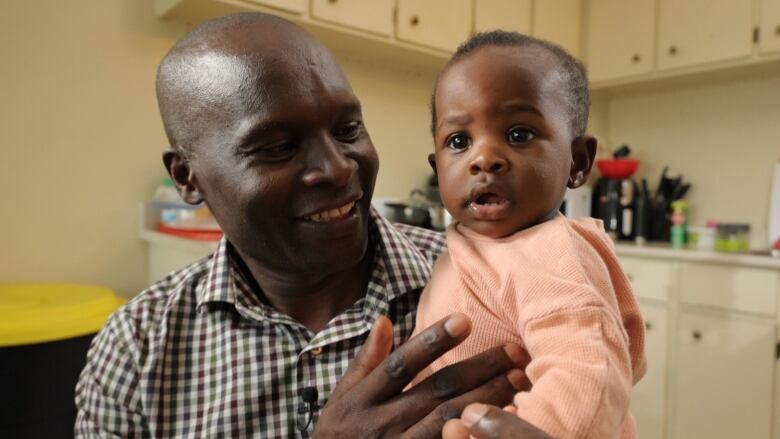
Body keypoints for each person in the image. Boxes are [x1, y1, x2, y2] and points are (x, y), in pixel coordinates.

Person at [73, 13, 550, 439]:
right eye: (277, 146)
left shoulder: (494, 282)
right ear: (186, 176)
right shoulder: (138, 348)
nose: (339, 168)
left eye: (347, 131)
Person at [411, 31, 647, 439]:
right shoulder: (470, 245)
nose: (483, 157)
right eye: (459, 141)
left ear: (577, 161)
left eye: (518, 134)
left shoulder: (551, 252)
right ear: (437, 170)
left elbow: (587, 377)